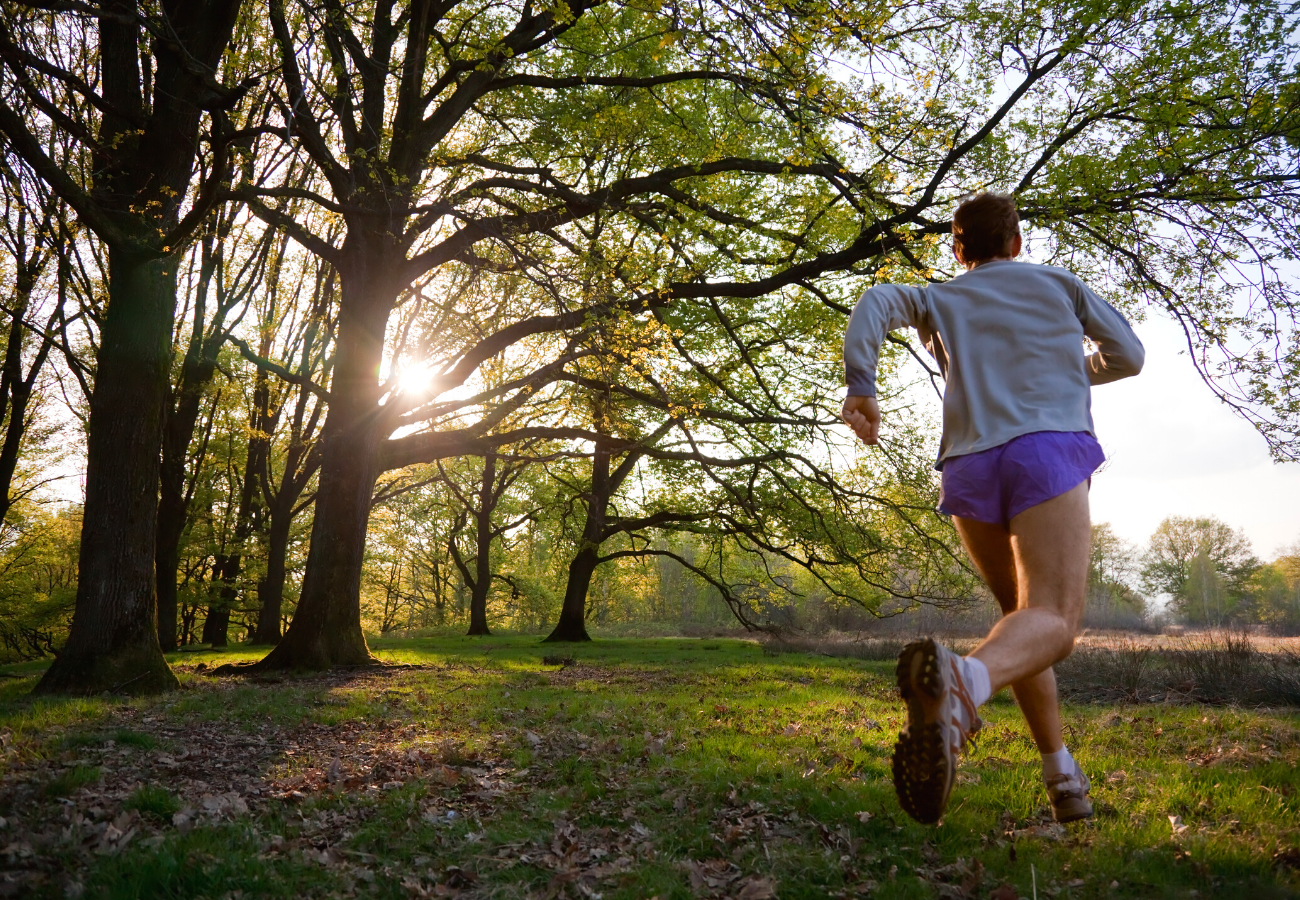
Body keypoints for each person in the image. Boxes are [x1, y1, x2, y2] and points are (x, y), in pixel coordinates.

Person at [840, 192, 1145, 825]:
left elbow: (875, 302)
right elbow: (1130, 357)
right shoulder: (1060, 284)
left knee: (1020, 620)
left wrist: (862, 386)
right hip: (1045, 451)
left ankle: (1063, 776)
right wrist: (1070, 368)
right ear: (1016, 243)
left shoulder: (941, 295)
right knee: (1055, 622)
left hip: (969, 467)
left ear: (959, 250)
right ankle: (965, 684)